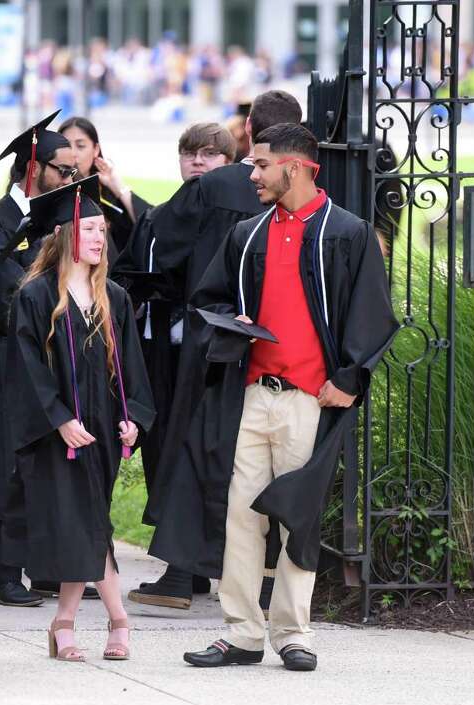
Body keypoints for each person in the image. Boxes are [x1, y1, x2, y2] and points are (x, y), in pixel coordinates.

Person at [166, 123, 396, 670]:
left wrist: (349, 376)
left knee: (299, 515)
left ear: (293, 167)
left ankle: (293, 633)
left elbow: (372, 312)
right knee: (242, 515)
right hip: (252, 397)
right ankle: (242, 633)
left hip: (309, 401)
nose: (252, 173)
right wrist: (229, 324)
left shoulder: (348, 233)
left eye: (261, 164)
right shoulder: (248, 235)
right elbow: (208, 301)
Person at [132, 89, 304, 610]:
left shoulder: (216, 188)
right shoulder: (311, 191)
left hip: (215, 337)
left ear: (249, 130)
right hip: (284, 348)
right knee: (263, 459)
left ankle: (184, 574)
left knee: (197, 446)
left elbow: (159, 245)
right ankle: (266, 576)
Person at [2, 176, 155, 663]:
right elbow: (25, 371)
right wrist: (59, 418)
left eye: (102, 228)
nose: (98, 237)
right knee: (88, 524)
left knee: (85, 524)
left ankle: (63, 621)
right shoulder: (35, 298)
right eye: (88, 227)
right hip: (60, 434)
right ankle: (117, 620)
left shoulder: (114, 296)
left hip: (103, 429)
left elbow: (130, 364)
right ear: (63, 234)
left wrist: (133, 416)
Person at [0, 111, 77, 607]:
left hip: (44, 363)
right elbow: (0, 298)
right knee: (10, 471)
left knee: (46, 470)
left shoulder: (52, 216)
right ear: (34, 169)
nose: (71, 180)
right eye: (64, 171)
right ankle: (3, 576)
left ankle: (47, 567)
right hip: (7, 367)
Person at [113, 122, 235, 536]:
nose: (198, 160)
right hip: (161, 349)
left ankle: (186, 566)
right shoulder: (159, 218)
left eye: (209, 153)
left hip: (211, 355)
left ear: (229, 162)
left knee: (198, 453)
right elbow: (127, 272)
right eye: (189, 153)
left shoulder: (236, 217)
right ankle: (180, 562)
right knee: (162, 449)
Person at [57, 116, 150, 259]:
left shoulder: (106, 193)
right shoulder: (52, 193)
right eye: (66, 146)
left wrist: (117, 185)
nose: (73, 153)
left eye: (80, 146)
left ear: (96, 149)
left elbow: (149, 225)